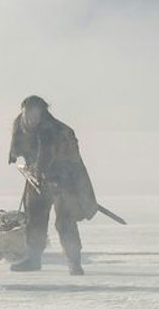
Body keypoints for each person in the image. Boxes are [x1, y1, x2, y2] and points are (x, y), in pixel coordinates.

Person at [7, 94, 98, 275]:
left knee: (65, 220)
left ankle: (74, 262)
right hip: (37, 178)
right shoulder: (20, 122)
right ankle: (34, 259)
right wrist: (20, 160)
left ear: (42, 113)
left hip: (65, 178)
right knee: (35, 218)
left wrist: (54, 178)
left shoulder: (56, 130)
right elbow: (17, 145)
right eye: (27, 115)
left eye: (34, 115)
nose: (30, 119)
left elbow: (50, 154)